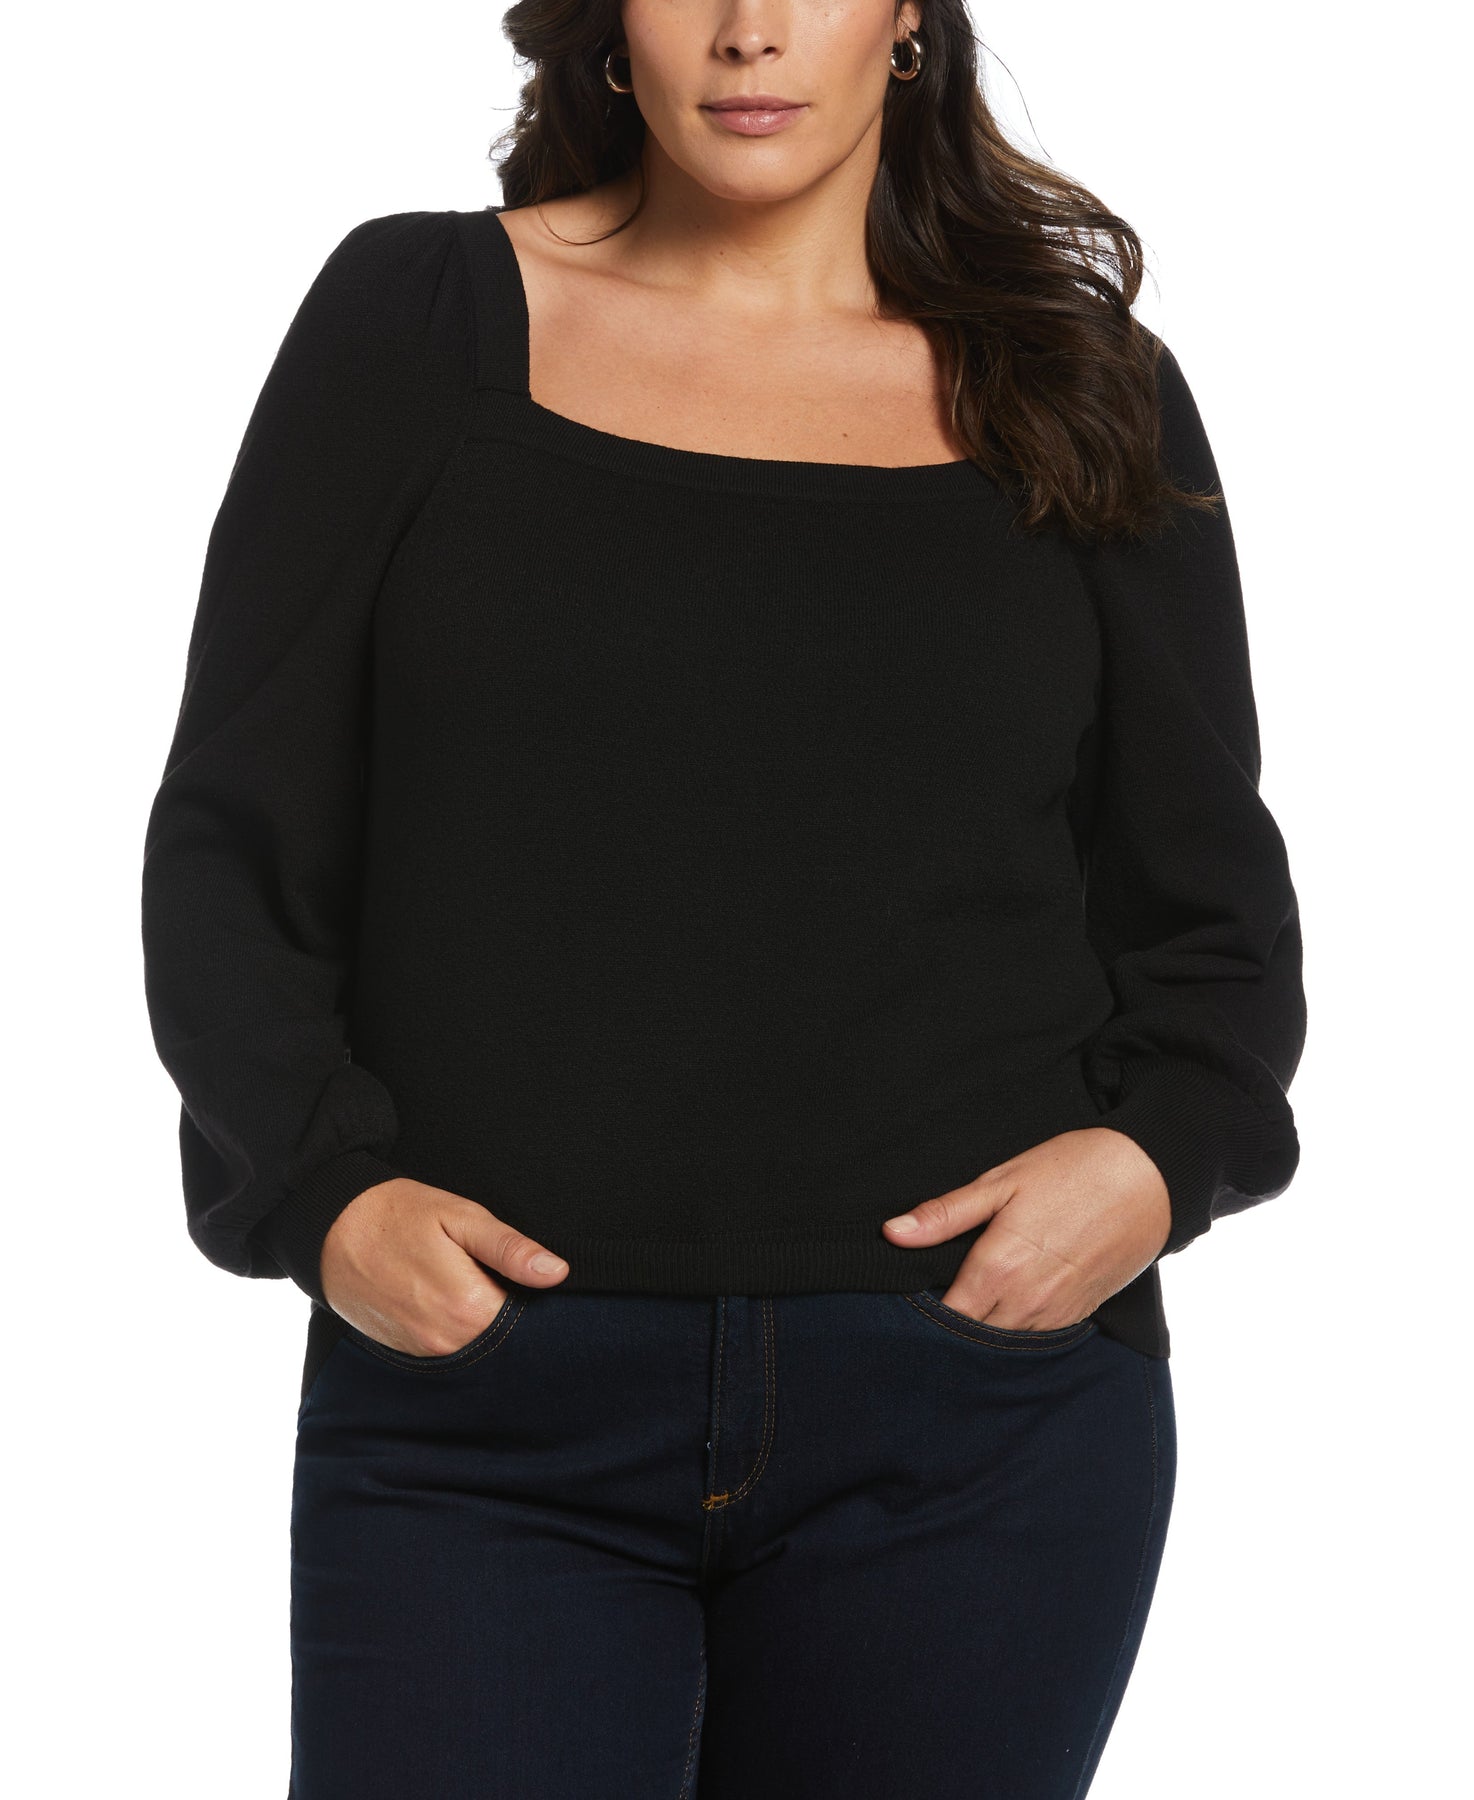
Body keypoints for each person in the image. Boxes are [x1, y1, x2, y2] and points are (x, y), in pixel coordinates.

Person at [139, 3, 1306, 1794]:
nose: (751, 32)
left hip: (976, 1418)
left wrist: (1153, 1161)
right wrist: (319, 1194)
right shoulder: (418, 317)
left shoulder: (1080, 380)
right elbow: (238, 828)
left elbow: (1206, 898)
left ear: (904, 22)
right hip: (484, 1412)